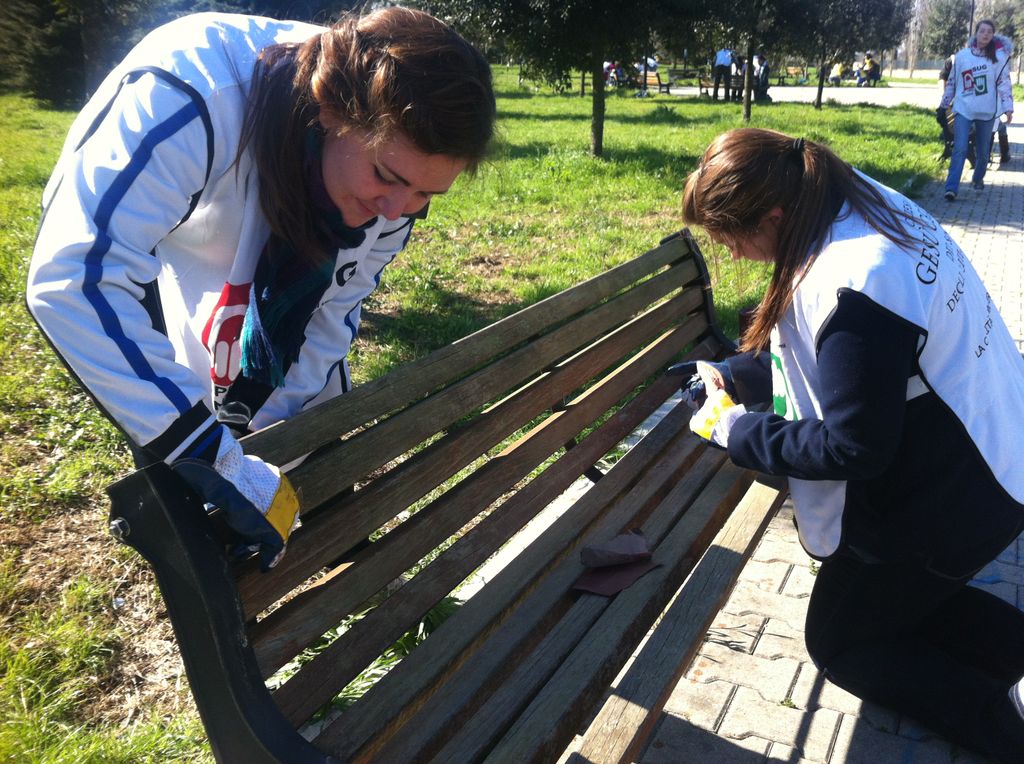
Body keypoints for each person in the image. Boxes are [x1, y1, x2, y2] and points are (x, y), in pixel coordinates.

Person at [26, 8, 496, 571]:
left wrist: (280, 449)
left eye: (426, 195)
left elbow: (332, 312)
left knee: (290, 468)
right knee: (184, 438)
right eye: (388, 178)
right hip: (176, 224)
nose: (397, 213)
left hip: (278, 206)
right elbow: (77, 277)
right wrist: (212, 458)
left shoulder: (397, 183)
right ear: (330, 111)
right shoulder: (188, 91)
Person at [680, 127, 1024, 764]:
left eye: (730, 236)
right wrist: (744, 374)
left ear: (775, 215)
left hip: (959, 498)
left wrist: (735, 429)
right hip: (988, 452)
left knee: (841, 643)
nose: (728, 252)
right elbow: (845, 363)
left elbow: (854, 448)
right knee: (874, 611)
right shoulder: (855, 206)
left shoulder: (853, 283)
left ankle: (1003, 730)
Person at [940, 19, 1014, 200]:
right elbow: (952, 81)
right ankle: (951, 188)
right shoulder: (962, 56)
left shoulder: (998, 58)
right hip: (964, 109)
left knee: (983, 152)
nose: (986, 34)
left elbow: (1004, 83)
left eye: (989, 31)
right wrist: (944, 103)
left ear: (993, 35)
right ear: (976, 33)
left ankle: (978, 178)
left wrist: (1008, 108)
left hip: (987, 111)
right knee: (960, 148)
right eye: (982, 31)